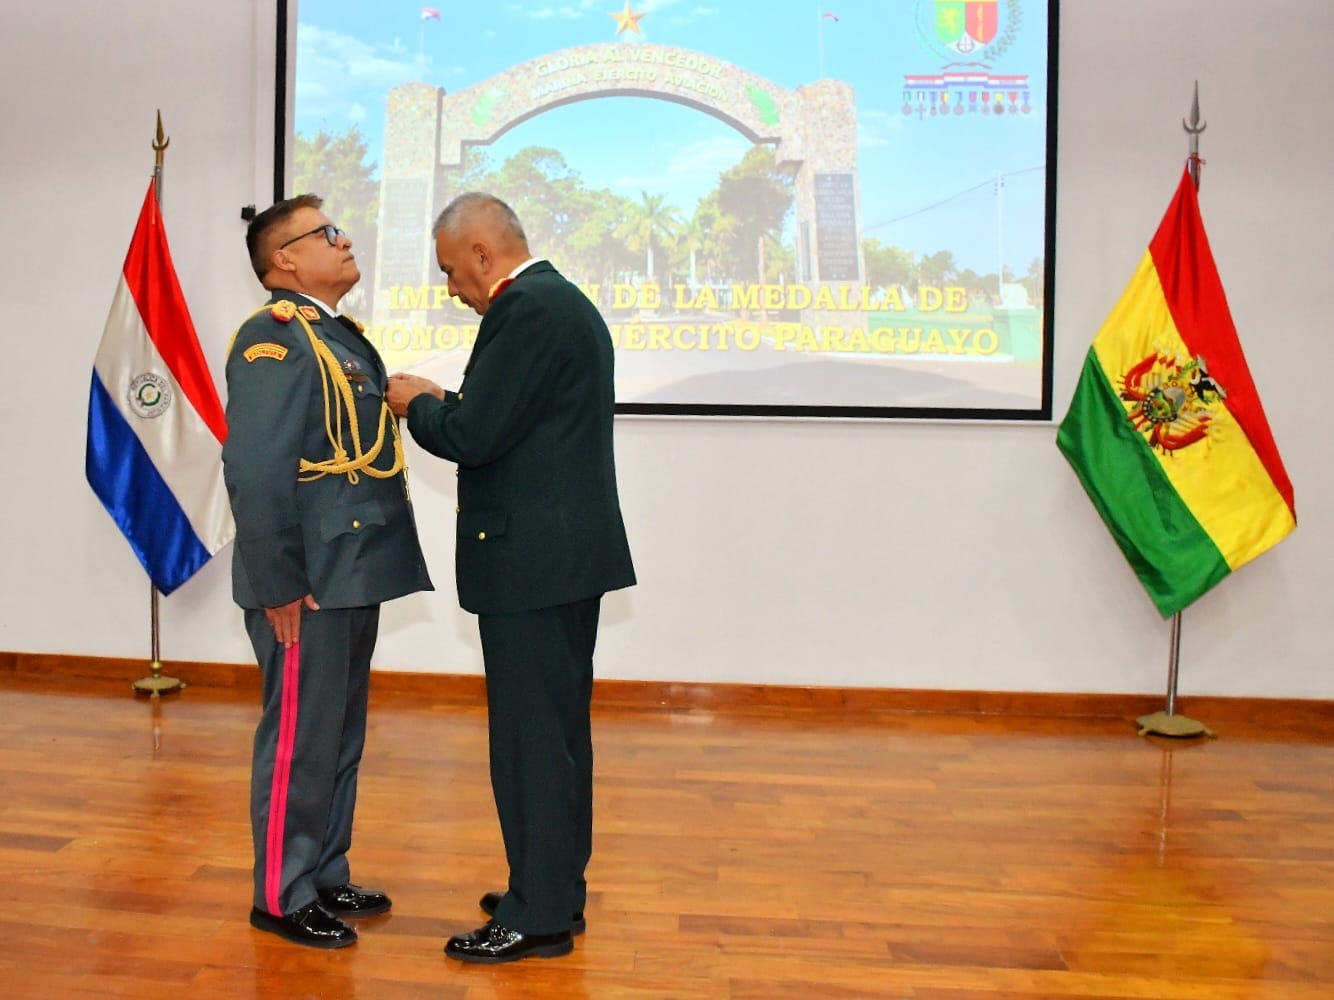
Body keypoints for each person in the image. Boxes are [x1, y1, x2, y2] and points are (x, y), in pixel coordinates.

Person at [386, 192, 635, 964]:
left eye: (452, 272)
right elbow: (516, 418)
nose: (451, 289)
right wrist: (451, 402)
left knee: (532, 741)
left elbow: (476, 433)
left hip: (532, 562)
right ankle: (551, 884)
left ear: (484, 257)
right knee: (556, 735)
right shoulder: (562, 302)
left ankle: (538, 916)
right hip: (560, 559)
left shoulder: (524, 310)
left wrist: (416, 405)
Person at [223, 194, 433, 949]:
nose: (345, 243)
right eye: (326, 234)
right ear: (284, 259)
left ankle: (322, 871)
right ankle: (281, 893)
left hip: (350, 567)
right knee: (299, 739)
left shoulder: (334, 337)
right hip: (305, 580)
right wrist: (277, 581)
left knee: (338, 732)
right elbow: (254, 469)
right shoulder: (272, 339)